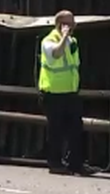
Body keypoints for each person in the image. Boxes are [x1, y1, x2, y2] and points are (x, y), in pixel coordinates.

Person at [38, 10, 97, 176]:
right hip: (53, 94)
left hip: (70, 93)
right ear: (60, 25)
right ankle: (55, 163)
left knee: (76, 129)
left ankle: (76, 163)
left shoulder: (72, 41)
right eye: (69, 23)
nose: (73, 26)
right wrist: (63, 36)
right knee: (55, 131)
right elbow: (56, 54)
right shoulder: (48, 41)